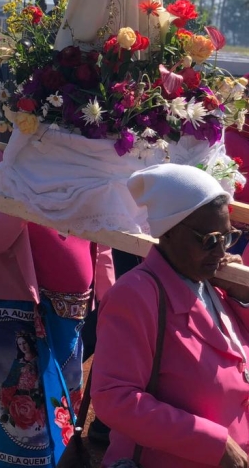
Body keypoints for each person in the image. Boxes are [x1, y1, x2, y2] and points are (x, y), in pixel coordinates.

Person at [92, 162, 249, 468]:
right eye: (208, 240)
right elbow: (114, 398)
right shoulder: (136, 295)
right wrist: (212, 443)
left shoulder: (213, 283)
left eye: (227, 238)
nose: (220, 253)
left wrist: (242, 297)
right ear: (170, 232)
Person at [0, 148, 114, 468]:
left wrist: (109, 298)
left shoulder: (82, 163)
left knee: (63, 409)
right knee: (24, 426)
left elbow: (100, 234)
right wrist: (31, 188)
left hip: (72, 314)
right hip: (10, 312)